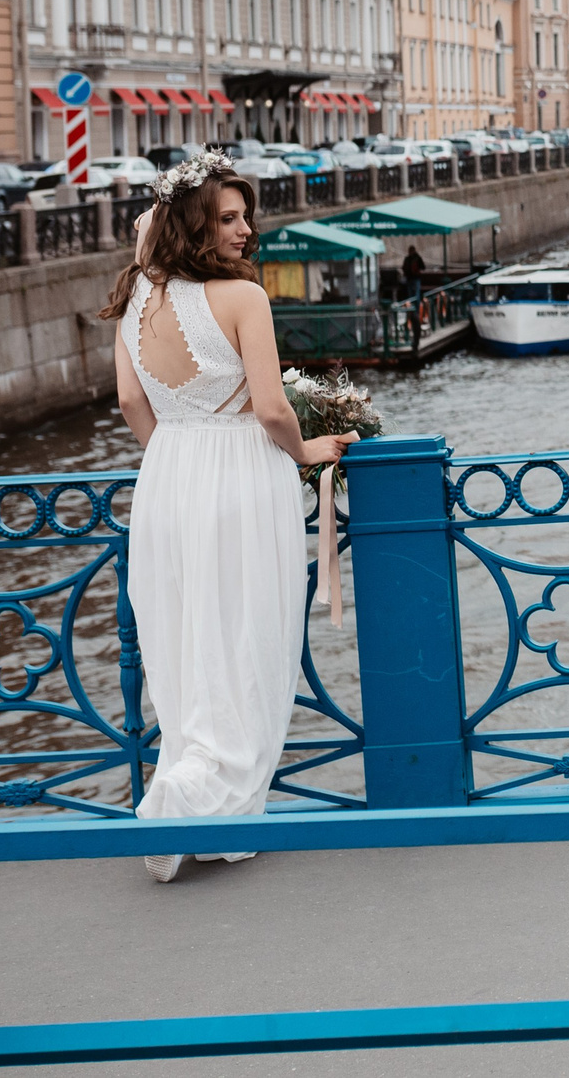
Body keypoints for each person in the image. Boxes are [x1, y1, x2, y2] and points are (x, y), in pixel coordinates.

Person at [102, 151, 357, 884]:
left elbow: (129, 404)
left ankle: (189, 786)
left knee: (183, 639)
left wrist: (181, 461)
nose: (247, 229)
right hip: (242, 474)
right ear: (193, 225)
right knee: (249, 633)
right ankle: (193, 801)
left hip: (168, 479)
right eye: (228, 217)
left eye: (247, 214)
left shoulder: (134, 304)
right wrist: (305, 448)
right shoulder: (244, 300)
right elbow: (273, 408)